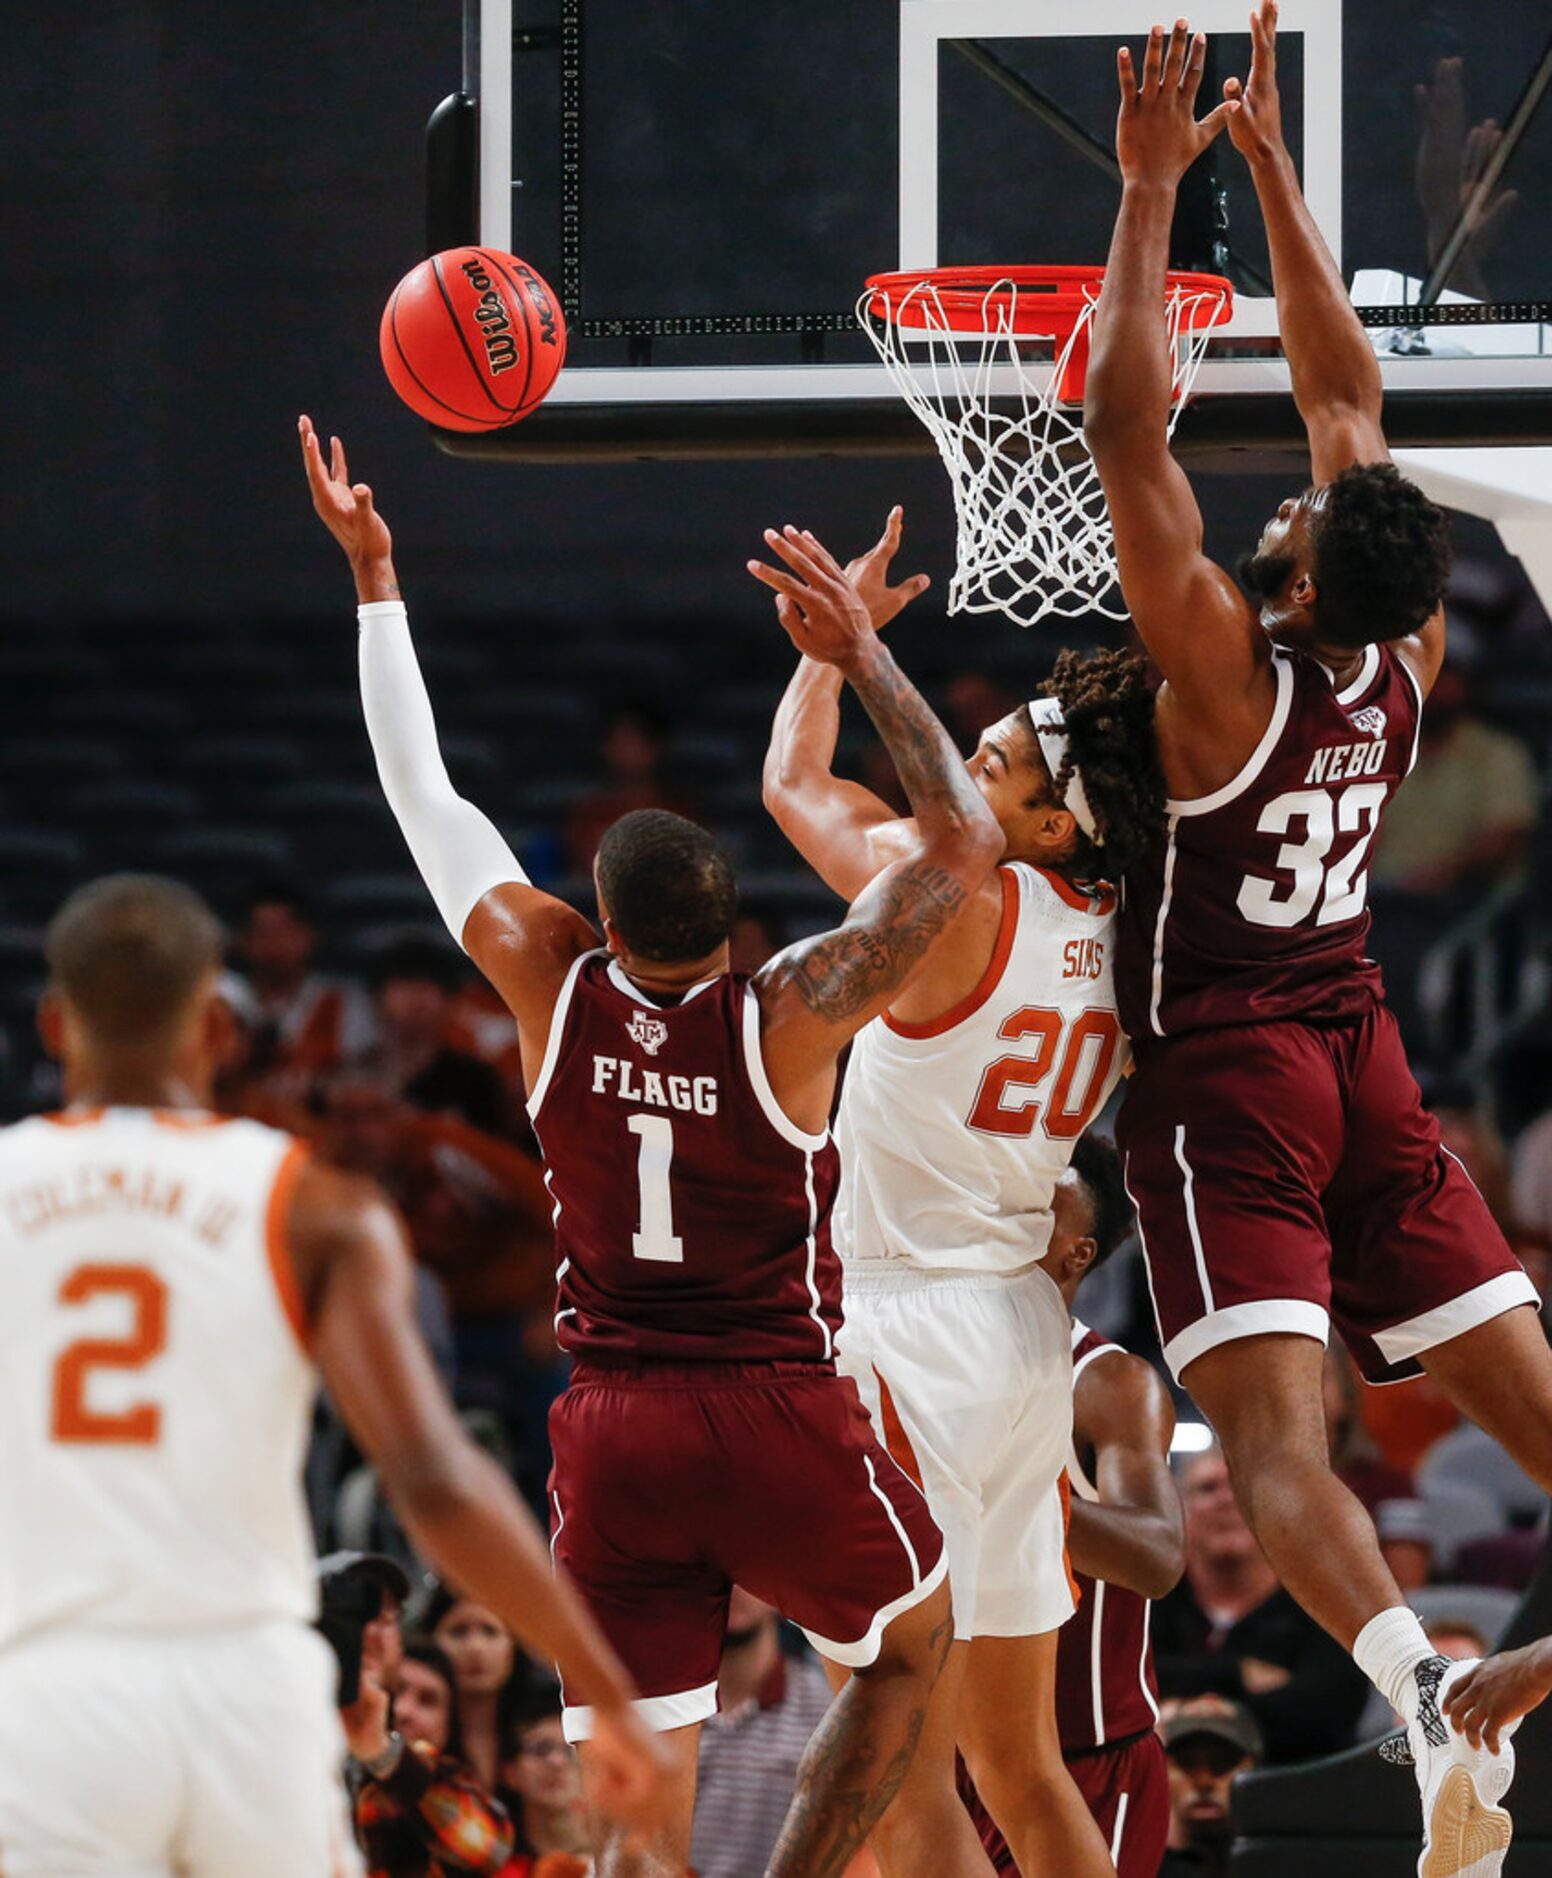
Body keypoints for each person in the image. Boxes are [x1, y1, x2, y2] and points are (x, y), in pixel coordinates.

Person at [302, 416, 1004, 1878]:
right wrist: (854, 653)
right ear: (735, 926)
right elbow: (960, 847)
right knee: (912, 1643)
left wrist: (376, 577)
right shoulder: (793, 1009)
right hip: (769, 1408)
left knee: (637, 1795)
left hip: (613, 1424)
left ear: (604, 924)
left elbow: (423, 796)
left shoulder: (542, 976)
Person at [1083, 7, 1547, 1866]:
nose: (1282, 495)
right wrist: (1272, 175)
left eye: (1274, 518)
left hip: (1229, 1071)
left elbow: (1125, 425)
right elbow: (1352, 411)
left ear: (1282, 578)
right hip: (1364, 1048)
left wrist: (1146, 197)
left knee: (1279, 1433)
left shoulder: (1216, 679)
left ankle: (1409, 1676)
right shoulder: (1401, 667)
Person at [0, 873, 663, 1878]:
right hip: (245, 1681)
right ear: (219, 1029)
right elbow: (433, 1476)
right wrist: (603, 1689)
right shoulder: (314, 1206)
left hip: (51, 1683)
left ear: (54, 1026)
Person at [759, 508, 1165, 1878]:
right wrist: (839, 649)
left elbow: (795, 787)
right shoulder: (1128, 932)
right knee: (1025, 1764)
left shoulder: (951, 901)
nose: (972, 766)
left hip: (907, 1332)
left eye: (995, 762)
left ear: (1052, 816)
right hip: (1020, 1342)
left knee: (898, 1768)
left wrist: (837, 656)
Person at [960, 1135, 1184, 1878]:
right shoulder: (925, 1368)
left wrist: (998, 1489)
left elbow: (1155, 1557)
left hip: (1089, 1763)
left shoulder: (1108, 1382)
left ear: (1076, 1254)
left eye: (1034, 1208)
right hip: (946, 1763)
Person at [1151, 1444, 1368, 1762]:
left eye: (1241, 1488)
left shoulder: (1325, 1603)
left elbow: (1328, 1717)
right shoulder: (1149, 1603)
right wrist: (1238, 1673)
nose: (1226, 1500)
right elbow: (1117, 1695)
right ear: (1179, 1509)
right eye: (1208, 1489)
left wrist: (1182, 1710)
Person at [348, 1617, 518, 1878]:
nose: (405, 1710)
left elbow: (489, 1849)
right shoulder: (325, 1764)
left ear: (447, 1726)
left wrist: (386, 1755)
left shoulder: (455, 1782)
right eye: (398, 1690)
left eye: (427, 1701)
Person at [691, 1590, 835, 1878]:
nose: (731, 1586)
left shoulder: (828, 1713)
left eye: (747, 1570)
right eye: (715, 1569)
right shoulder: (644, 1710)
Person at [233, 880, 374, 1104]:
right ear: (242, 940)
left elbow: (364, 1073)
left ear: (309, 936)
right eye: (262, 932)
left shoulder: (344, 1003)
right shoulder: (227, 1000)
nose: (274, 944)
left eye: (285, 931)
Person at [1156, 1698, 1264, 1876]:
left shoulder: (1289, 1864)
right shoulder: (1131, 1866)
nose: (1203, 1782)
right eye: (1186, 1763)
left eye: (1223, 1763)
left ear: (1256, 1770)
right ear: (1162, 1770)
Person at [503, 1688, 595, 1865]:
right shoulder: (495, 1866)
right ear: (510, 1772)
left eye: (571, 1750)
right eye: (541, 1749)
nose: (557, 1762)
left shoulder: (616, 1862)